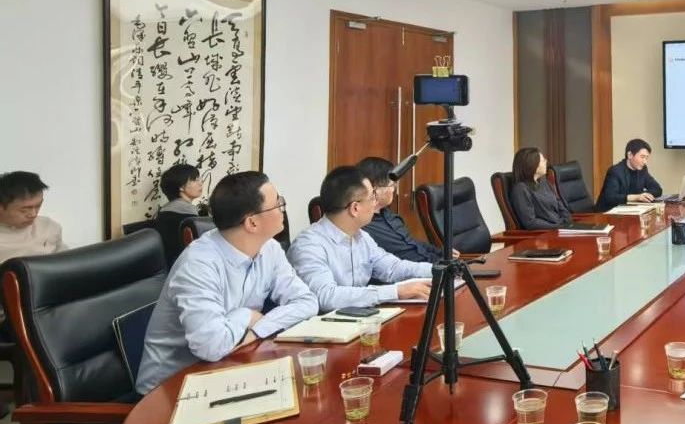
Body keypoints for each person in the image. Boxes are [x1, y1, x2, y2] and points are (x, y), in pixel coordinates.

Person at [135, 172, 318, 395]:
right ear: (252, 222)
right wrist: (246, 316)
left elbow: (307, 302)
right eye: (277, 203)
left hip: (228, 368)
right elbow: (210, 346)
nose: (282, 208)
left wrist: (257, 330)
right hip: (170, 391)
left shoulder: (268, 248)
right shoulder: (198, 264)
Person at [288, 166, 434, 313]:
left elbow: (393, 268)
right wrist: (395, 292)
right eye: (372, 197)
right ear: (355, 208)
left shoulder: (361, 237)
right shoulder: (308, 245)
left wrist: (437, 271)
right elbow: (326, 297)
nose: (375, 203)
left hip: (361, 318)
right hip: (324, 324)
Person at [355, 157, 456, 262]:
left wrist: (442, 252)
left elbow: (411, 243)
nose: (394, 189)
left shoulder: (389, 215)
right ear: (374, 188)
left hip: (433, 264)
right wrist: (436, 265)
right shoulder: (364, 227)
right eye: (391, 185)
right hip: (418, 269)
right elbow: (397, 263)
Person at [0, 171, 67, 265]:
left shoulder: (49, 227)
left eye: (38, 206)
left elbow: (67, 261)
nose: (33, 214)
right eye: (24, 210)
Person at [509, 147, 573, 229]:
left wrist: (566, 222)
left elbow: (560, 205)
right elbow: (530, 222)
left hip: (560, 228)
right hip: (545, 232)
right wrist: (558, 226)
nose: (546, 161)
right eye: (543, 160)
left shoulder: (544, 182)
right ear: (532, 164)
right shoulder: (520, 189)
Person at [154, 163, 204, 266]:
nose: (200, 183)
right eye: (195, 180)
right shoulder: (185, 215)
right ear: (181, 187)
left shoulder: (168, 211)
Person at [597, 138, 663, 211]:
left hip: (629, 210)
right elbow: (610, 197)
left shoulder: (642, 170)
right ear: (630, 155)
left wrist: (643, 196)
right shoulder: (615, 171)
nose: (645, 162)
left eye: (646, 158)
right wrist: (636, 197)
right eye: (642, 157)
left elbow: (657, 189)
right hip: (608, 213)